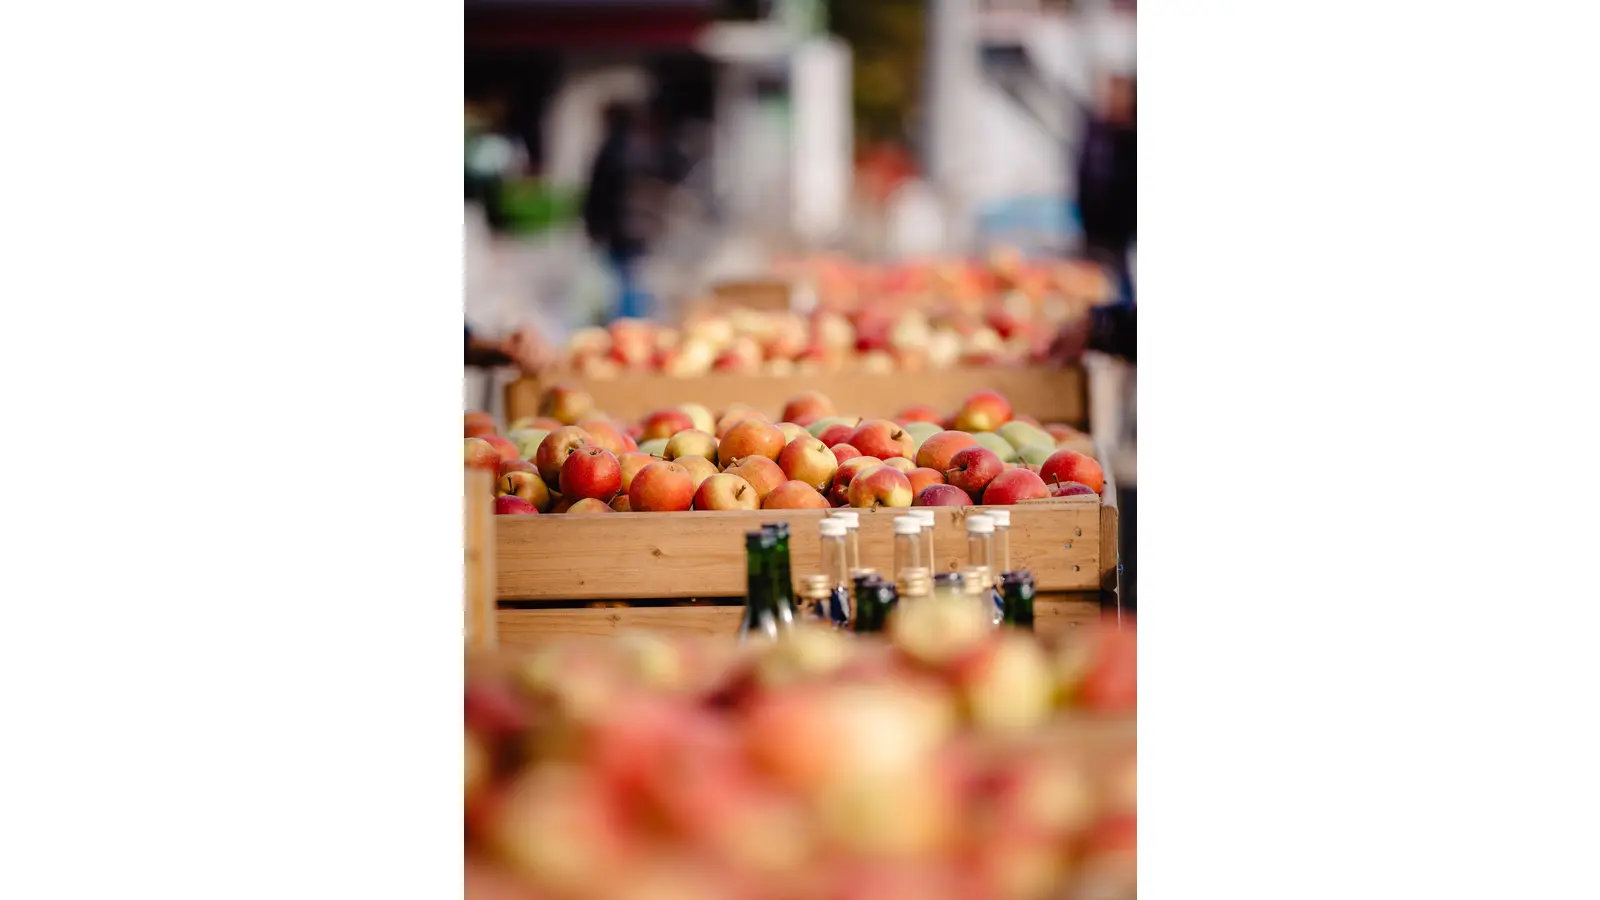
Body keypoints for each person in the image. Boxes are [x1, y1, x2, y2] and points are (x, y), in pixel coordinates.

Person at [582, 103, 656, 321]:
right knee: (631, 278)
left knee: (622, 281)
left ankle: (626, 322)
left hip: (619, 229)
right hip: (636, 229)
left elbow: (599, 193)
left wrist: (594, 226)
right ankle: (633, 321)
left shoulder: (611, 151)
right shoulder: (639, 148)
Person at [1074, 74, 1136, 307]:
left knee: (1120, 287)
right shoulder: (1096, 130)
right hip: (1093, 229)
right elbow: (1085, 177)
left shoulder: (1130, 137)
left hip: (1122, 234)